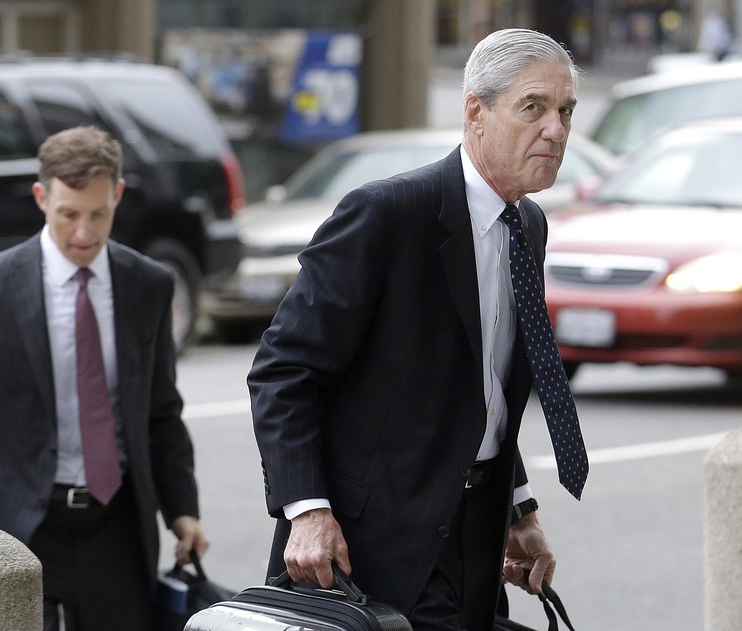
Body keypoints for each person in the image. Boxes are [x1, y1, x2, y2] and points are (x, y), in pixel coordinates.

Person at [248, 28, 588, 630]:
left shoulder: (527, 227)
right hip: (367, 550)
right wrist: (306, 511)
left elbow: (483, 397)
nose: (555, 130)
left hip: (475, 542)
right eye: (533, 107)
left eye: (565, 111)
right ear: (474, 112)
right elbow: (284, 371)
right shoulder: (387, 214)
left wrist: (519, 512)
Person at [0, 126, 208, 631]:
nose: (84, 234)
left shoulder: (148, 285)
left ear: (117, 194)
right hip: (21, 522)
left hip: (116, 525)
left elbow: (160, 410)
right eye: (68, 214)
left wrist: (182, 509)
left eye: (99, 214)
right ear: (41, 197)